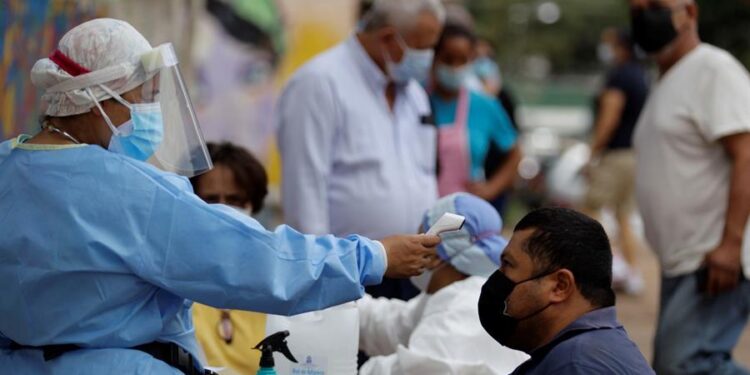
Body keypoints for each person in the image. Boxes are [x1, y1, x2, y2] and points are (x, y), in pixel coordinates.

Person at [0, 18, 441, 374]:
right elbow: (256, 261)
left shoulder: (7, 165)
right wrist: (373, 257)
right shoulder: (128, 189)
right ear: (98, 98)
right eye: (142, 97)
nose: (150, 110)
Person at [277, 0, 445, 301]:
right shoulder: (320, 83)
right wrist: (323, 279)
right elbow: (305, 192)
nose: (427, 59)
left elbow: (423, 173)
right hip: (348, 274)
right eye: (422, 48)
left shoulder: (413, 93)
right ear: (388, 38)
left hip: (412, 272)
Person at [629, 0, 750, 373]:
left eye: (655, 5)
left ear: (690, 13)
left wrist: (730, 245)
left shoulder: (713, 69)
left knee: (686, 365)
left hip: (711, 255)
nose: (645, 15)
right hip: (682, 260)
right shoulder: (666, 79)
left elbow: (746, 155)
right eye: (636, 9)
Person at [358, 193, 529, 374]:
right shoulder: (465, 292)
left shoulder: (457, 312)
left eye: (416, 241)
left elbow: (412, 370)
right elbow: (391, 325)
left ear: (433, 255)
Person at [478, 208, 654, 374]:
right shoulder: (592, 348)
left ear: (560, 286)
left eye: (508, 264)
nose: (498, 278)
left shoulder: (576, 365)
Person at [189, 142, 269, 375]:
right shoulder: (170, 279)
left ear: (253, 205)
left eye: (234, 201)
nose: (224, 211)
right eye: (211, 200)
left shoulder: (276, 276)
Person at [584, 28, 649, 295]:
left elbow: (610, 117)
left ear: (621, 46)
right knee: (623, 215)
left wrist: (593, 152)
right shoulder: (641, 76)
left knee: (590, 211)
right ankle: (632, 273)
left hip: (615, 156)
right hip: (635, 155)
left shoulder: (619, 76)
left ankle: (611, 266)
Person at [428, 24, 521, 206]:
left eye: (462, 61)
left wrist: (490, 188)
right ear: (434, 58)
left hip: (465, 209)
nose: (455, 68)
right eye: (448, 60)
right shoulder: (418, 100)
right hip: (422, 204)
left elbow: (515, 153)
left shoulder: (484, 105)